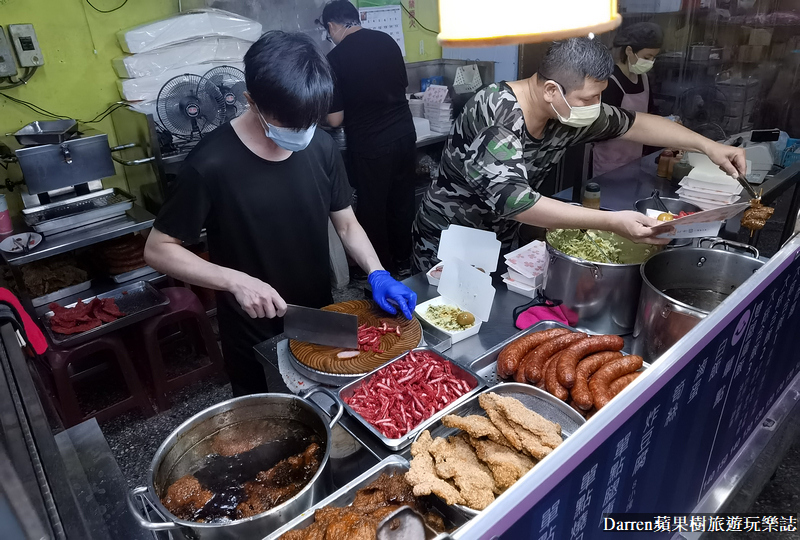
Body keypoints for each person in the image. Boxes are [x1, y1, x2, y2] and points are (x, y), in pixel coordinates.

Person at [144, 31, 417, 397]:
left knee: (326, 412)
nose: (302, 133)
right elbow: (159, 248)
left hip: (317, 318)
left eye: (309, 121)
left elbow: (347, 223)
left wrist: (378, 272)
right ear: (251, 101)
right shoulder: (210, 163)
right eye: (290, 124)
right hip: (251, 329)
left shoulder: (320, 146)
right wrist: (235, 281)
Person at [412, 37, 746, 273]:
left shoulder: (566, 111)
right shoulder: (496, 113)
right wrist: (612, 222)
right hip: (449, 241)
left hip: (501, 239)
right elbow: (516, 202)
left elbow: (638, 125)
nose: (596, 107)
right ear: (551, 90)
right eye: (589, 98)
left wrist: (709, 146)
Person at [321, 0, 417, 277]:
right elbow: (401, 87)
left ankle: (378, 271)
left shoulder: (335, 59)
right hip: (404, 135)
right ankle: (403, 263)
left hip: (371, 145)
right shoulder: (387, 41)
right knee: (401, 202)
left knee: (372, 209)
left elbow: (335, 119)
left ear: (332, 26)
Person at [593, 22, 664, 176]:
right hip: (608, 162)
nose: (651, 62)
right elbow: (602, 128)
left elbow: (649, 114)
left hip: (635, 159)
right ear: (629, 51)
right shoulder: (610, 81)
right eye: (647, 57)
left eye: (653, 57)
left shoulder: (644, 79)